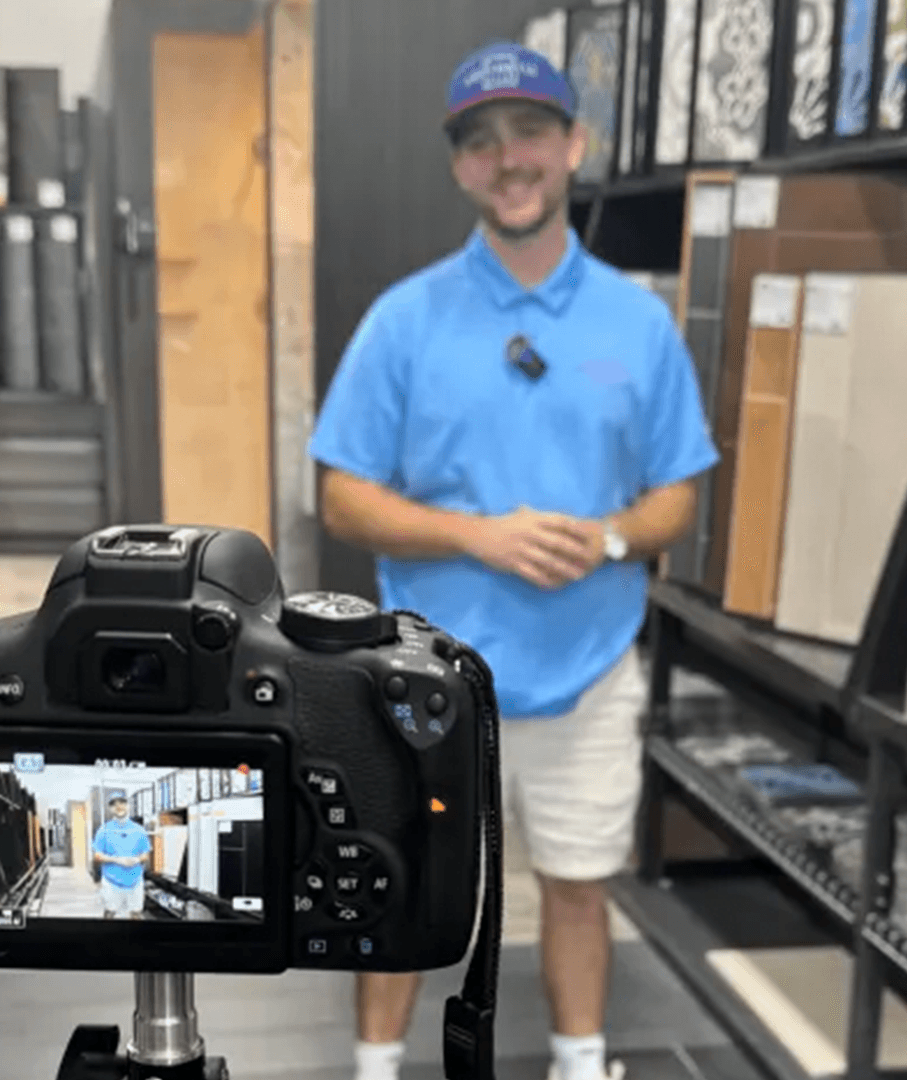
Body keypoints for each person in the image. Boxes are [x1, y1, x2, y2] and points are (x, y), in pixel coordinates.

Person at [307, 41, 719, 1080]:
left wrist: (612, 537)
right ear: (460, 168)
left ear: (575, 145)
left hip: (586, 674)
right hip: (427, 686)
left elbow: (678, 492)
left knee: (579, 885)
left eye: (531, 132)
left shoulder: (638, 322)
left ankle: (583, 1067)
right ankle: (375, 1069)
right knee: (396, 885)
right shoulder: (405, 321)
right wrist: (476, 534)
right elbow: (342, 494)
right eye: (483, 143)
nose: (510, 159)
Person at [91, 795, 151, 920]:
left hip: (135, 881)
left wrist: (137, 860)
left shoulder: (139, 830)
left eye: (122, 803)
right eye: (114, 804)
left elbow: (146, 854)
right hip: (112, 881)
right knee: (110, 914)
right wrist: (117, 860)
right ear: (110, 809)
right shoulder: (104, 830)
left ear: (128, 806)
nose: (119, 806)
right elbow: (97, 856)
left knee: (136, 914)